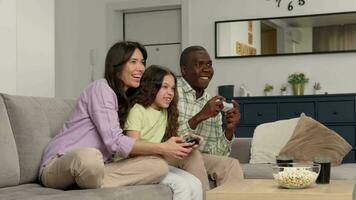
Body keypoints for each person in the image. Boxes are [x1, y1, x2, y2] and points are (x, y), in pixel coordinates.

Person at [39, 41, 194, 189]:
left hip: (101, 168)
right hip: (62, 163)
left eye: (142, 62)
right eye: (133, 61)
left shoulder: (127, 100)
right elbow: (114, 142)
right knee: (90, 157)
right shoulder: (101, 88)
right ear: (117, 66)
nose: (140, 68)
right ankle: (86, 180)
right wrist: (163, 148)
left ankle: (85, 183)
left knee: (158, 166)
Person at [124, 65, 203, 200]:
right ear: (151, 87)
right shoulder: (137, 110)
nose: (170, 92)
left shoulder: (165, 112)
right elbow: (131, 149)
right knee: (181, 185)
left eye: (172, 88)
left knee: (195, 183)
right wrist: (164, 149)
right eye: (165, 87)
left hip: (155, 161)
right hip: (135, 165)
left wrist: (187, 141)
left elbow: (167, 142)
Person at [177, 45, 244, 186]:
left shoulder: (212, 102)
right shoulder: (170, 92)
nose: (207, 69)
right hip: (174, 155)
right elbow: (166, 138)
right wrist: (200, 116)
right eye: (199, 64)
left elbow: (216, 155)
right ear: (184, 70)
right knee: (194, 160)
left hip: (201, 159)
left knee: (230, 165)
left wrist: (229, 130)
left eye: (209, 64)